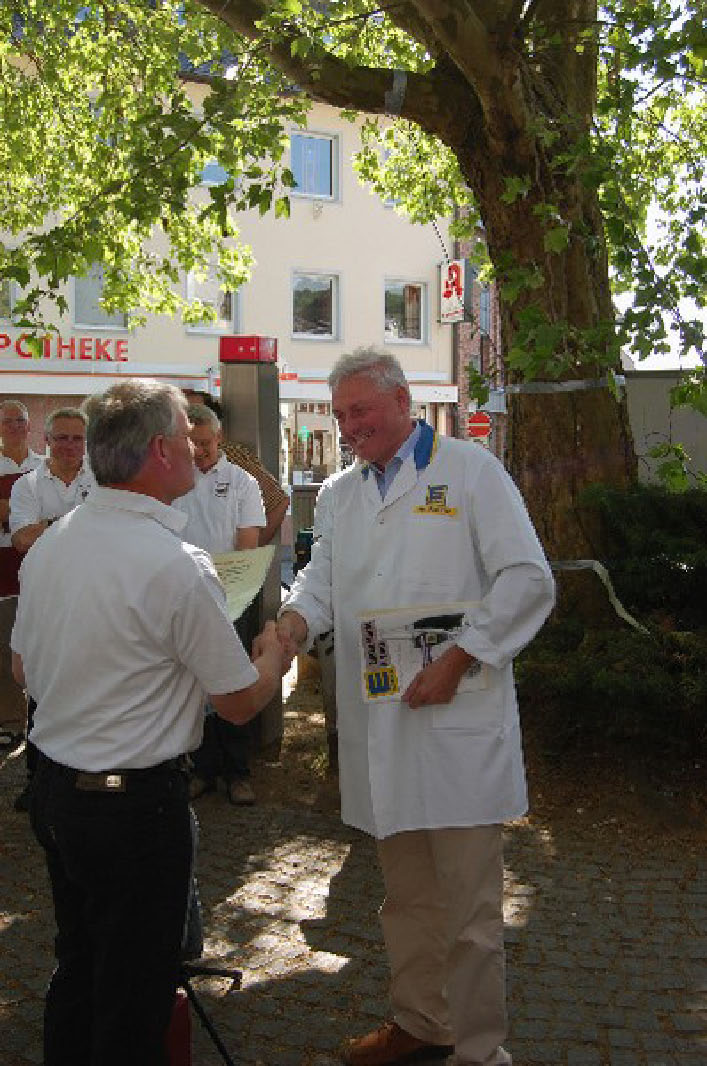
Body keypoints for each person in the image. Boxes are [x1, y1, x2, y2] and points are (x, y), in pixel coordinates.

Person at [277, 348, 555, 1066]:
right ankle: (421, 1023)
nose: (348, 426)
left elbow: (526, 579)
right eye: (340, 415)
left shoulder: (470, 472)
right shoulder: (339, 493)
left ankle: (479, 1051)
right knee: (405, 900)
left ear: (402, 402)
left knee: (470, 911)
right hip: (382, 727)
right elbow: (320, 576)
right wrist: (294, 621)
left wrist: (461, 658)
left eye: (360, 410)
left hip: (458, 721)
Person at [10, 379, 285, 1066]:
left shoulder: (53, 544)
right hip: (132, 811)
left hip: (57, 795)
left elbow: (22, 670)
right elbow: (237, 702)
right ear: (161, 450)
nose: (197, 447)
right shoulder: (178, 564)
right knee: (133, 995)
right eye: (186, 436)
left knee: (79, 966)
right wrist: (275, 657)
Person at [175, 403, 267, 806]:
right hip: (185, 597)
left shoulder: (243, 482)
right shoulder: (174, 481)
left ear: (219, 438)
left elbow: (248, 543)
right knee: (194, 684)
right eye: (190, 443)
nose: (198, 451)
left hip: (232, 597)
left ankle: (238, 772)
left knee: (233, 681)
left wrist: (227, 586)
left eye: (205, 443)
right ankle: (202, 768)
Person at [9, 406, 95, 811]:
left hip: (93, 598)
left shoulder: (102, 480)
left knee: (88, 686)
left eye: (77, 438)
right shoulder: (27, 484)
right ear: (46, 440)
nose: (69, 446)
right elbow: (22, 539)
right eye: (61, 437)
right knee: (42, 689)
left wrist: (49, 524)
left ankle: (83, 776)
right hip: (44, 598)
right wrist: (79, 523)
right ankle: (38, 779)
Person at [183, 389, 289, 547]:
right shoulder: (172, 472)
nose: (198, 451)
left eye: (204, 443)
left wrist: (255, 549)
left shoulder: (237, 461)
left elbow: (278, 499)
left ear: (218, 434)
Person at [0, 400, 44, 747]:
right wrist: (29, 517)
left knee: (41, 644)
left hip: (38, 568)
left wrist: (11, 511)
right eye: (7, 421)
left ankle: (42, 717)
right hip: (3, 568)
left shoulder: (43, 466)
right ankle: (11, 719)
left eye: (20, 420)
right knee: (5, 646)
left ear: (29, 427)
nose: (15, 426)